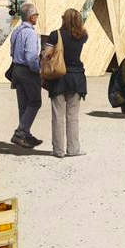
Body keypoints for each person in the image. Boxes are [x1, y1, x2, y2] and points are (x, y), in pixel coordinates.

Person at [45, 8, 88, 157]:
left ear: (64, 19)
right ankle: (73, 149)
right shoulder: (83, 36)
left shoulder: (55, 35)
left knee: (58, 115)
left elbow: (46, 55)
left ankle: (58, 150)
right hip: (77, 76)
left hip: (59, 77)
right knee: (73, 116)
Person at [9, 2, 43, 149]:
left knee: (24, 104)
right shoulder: (30, 33)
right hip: (28, 71)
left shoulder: (16, 31)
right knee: (35, 102)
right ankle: (21, 132)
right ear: (31, 16)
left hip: (16, 69)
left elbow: (11, 52)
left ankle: (25, 135)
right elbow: (31, 57)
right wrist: (38, 69)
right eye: (36, 15)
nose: (37, 17)